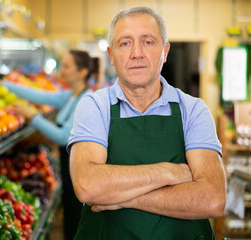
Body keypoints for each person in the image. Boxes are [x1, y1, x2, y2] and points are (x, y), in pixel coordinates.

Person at [68, 7, 226, 240]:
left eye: (148, 42)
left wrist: (123, 197)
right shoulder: (94, 106)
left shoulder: (193, 110)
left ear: (165, 51)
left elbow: (212, 199)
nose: (137, 53)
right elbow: (87, 186)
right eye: (125, 43)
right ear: (111, 55)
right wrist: (169, 172)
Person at [0, 50, 99, 240]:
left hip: (78, 164)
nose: (62, 70)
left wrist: (32, 116)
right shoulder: (70, 95)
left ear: (83, 72)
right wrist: (2, 84)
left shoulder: (85, 100)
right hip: (68, 162)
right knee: (70, 211)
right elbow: (39, 95)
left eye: (67, 66)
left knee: (76, 215)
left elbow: (63, 136)